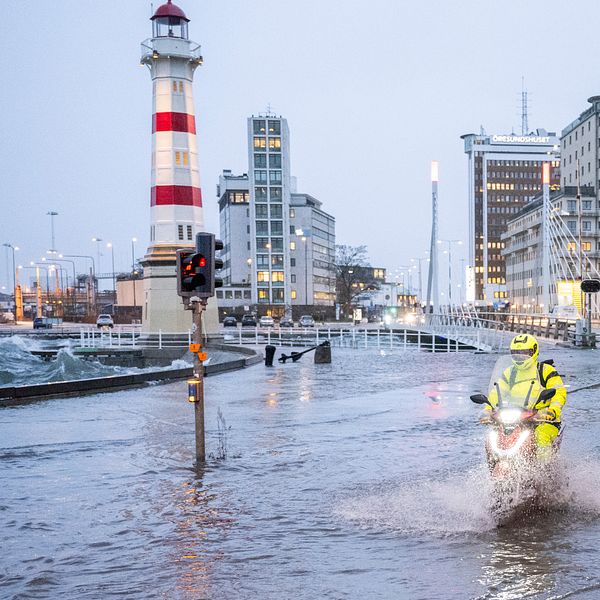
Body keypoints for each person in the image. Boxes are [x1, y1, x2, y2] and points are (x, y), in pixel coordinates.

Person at [480, 333, 567, 460]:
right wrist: (487, 410)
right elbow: (496, 392)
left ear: (534, 351)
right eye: (516, 353)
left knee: (541, 438)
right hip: (516, 417)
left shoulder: (546, 370)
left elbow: (559, 393)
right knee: (493, 437)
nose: (520, 357)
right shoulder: (510, 372)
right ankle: (493, 467)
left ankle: (545, 473)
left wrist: (552, 411)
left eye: (524, 352)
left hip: (542, 419)